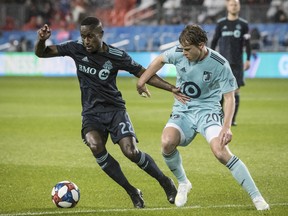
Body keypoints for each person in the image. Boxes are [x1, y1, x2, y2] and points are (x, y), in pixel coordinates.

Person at [34, 16, 181, 208]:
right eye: (83, 36)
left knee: (131, 151)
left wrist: (171, 88)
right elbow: (42, 53)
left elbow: (143, 73)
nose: (86, 41)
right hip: (91, 113)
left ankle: (165, 181)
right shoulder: (75, 48)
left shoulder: (116, 55)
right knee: (95, 146)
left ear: (101, 34)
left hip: (115, 110)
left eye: (90, 36)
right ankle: (132, 191)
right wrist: (42, 40)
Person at [136, 24, 269, 211]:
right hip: (183, 109)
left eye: (188, 50)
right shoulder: (180, 51)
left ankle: (257, 197)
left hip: (209, 111)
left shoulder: (219, 63)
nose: (184, 54)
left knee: (220, 151)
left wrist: (226, 127)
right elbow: (159, 60)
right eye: (182, 49)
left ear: (201, 45)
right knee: (166, 142)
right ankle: (183, 183)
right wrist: (141, 81)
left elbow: (229, 97)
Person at [210, 0, 251, 126]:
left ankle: (232, 120)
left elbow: (247, 44)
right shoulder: (221, 23)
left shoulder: (243, 25)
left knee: (236, 90)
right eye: (232, 4)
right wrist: (211, 57)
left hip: (237, 62)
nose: (234, 6)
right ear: (227, 6)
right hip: (222, 62)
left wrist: (248, 59)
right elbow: (214, 42)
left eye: (236, 4)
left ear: (239, 7)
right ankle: (221, 118)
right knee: (222, 91)